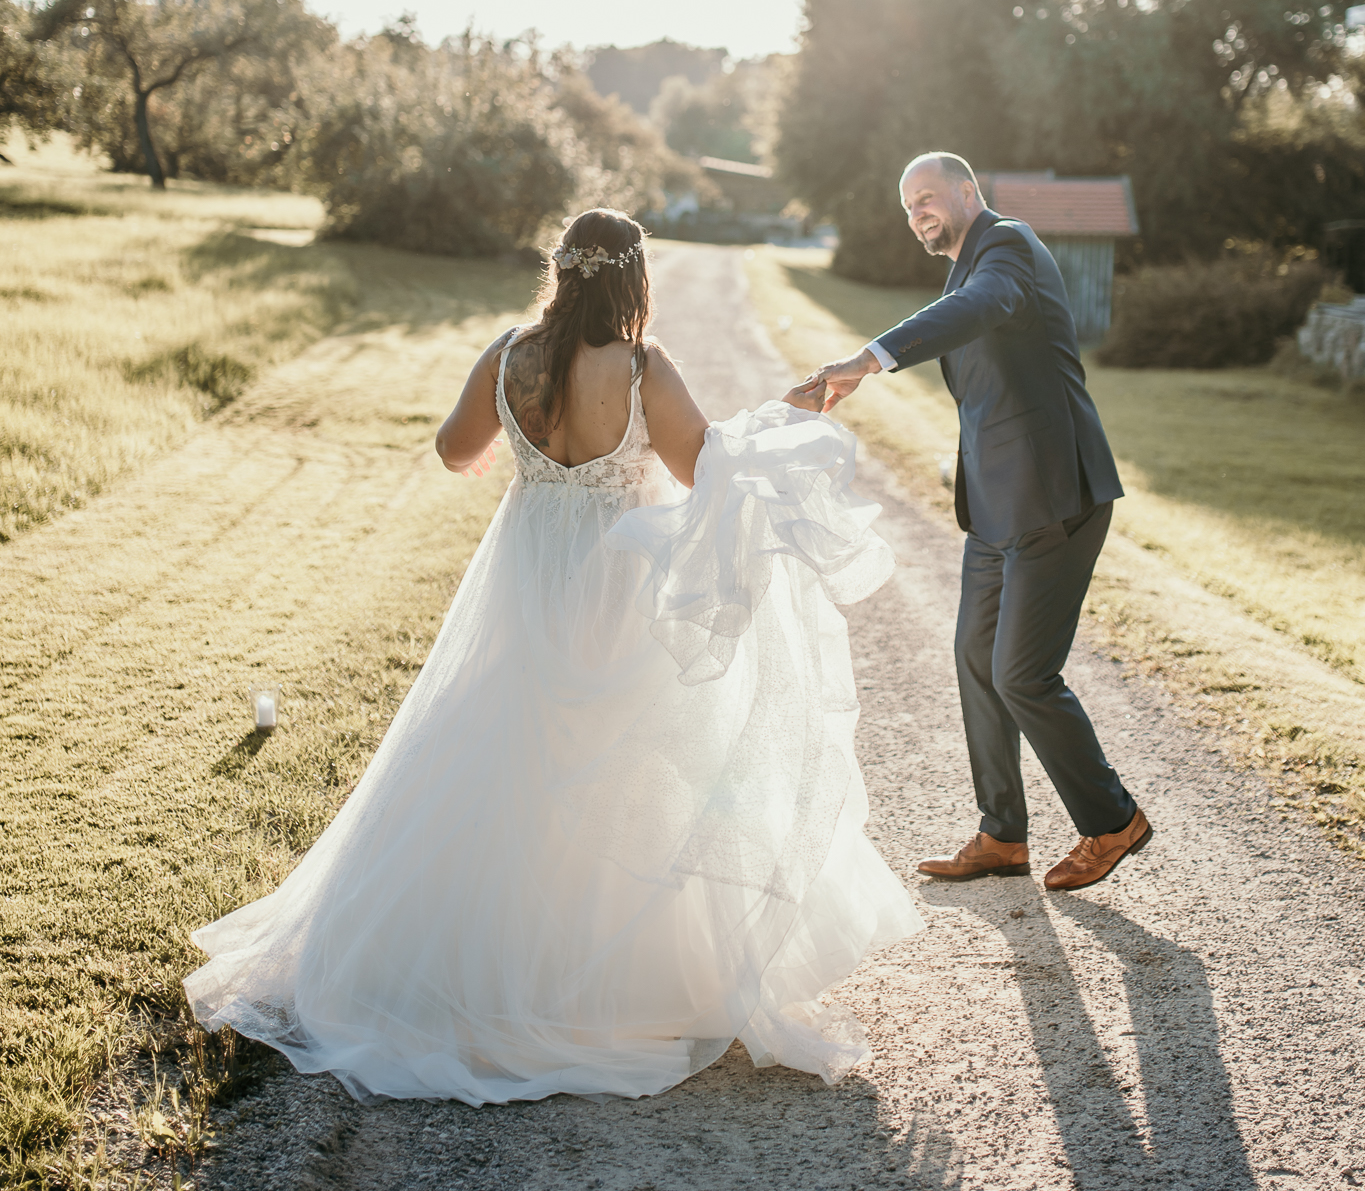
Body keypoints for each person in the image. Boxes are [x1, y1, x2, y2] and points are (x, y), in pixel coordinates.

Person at [185, 208, 921, 1104]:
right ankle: (608, 977)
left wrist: (533, 455)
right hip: (613, 578)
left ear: (562, 272)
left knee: (500, 742)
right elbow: (703, 470)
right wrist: (775, 421)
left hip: (527, 568)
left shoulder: (507, 354)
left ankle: (465, 966)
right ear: (631, 281)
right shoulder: (642, 368)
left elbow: (456, 453)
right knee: (621, 758)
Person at [807, 154, 1151, 894]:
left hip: (1055, 494)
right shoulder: (958, 272)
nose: (917, 213)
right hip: (995, 507)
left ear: (968, 192)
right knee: (974, 658)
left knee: (1022, 673)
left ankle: (1111, 819)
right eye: (908, 206)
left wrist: (870, 358)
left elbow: (986, 307)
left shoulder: (1006, 247)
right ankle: (1001, 835)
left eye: (928, 196)